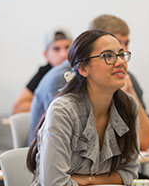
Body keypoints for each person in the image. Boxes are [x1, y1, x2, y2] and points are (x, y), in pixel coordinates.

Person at [26, 30, 140, 185]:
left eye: (121, 54)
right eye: (108, 56)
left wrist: (87, 180)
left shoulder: (129, 106)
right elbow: (54, 183)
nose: (120, 62)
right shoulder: (63, 111)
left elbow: (130, 175)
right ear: (83, 68)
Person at [28, 14, 149, 152]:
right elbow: (76, 154)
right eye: (109, 54)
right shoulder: (61, 78)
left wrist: (131, 93)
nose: (122, 54)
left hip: (106, 167)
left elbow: (144, 142)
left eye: (125, 44)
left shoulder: (123, 77)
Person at [12, 29, 72, 114]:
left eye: (68, 47)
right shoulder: (44, 73)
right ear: (46, 55)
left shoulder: (82, 69)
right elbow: (18, 107)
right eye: (56, 49)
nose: (64, 54)